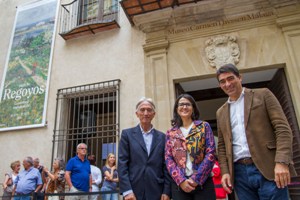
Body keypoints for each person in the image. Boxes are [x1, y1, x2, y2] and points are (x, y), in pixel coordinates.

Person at [216, 63, 296, 200]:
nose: (227, 84)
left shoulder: (263, 94)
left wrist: (282, 162)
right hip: (239, 174)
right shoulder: (220, 112)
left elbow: (283, 129)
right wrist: (225, 172)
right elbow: (222, 146)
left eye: (230, 78)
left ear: (240, 78)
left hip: (268, 167)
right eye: (223, 81)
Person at [118, 97, 171, 200]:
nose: (146, 113)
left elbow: (166, 165)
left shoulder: (163, 137)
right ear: (137, 114)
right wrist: (127, 191)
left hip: (157, 192)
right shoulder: (127, 135)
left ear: (154, 114)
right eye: (142, 110)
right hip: (133, 192)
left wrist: (167, 191)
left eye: (149, 110)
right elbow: (122, 164)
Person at [165, 93, 216, 200]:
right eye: (181, 104)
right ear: (176, 109)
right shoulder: (171, 133)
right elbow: (168, 159)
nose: (184, 107)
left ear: (193, 108)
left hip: (203, 183)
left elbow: (210, 153)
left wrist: (196, 179)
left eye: (188, 104)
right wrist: (181, 180)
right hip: (180, 186)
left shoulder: (203, 126)